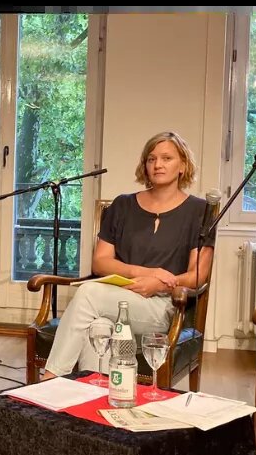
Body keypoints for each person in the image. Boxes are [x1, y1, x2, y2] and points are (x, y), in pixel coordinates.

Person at [42, 130, 215, 378]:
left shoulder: (200, 211)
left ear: (182, 165)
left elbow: (198, 276)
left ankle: (50, 379)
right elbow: (100, 262)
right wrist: (147, 272)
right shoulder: (123, 205)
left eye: (167, 158)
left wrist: (160, 283)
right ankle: (95, 405)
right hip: (115, 296)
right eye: (151, 159)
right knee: (99, 327)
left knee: (88, 292)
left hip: (160, 305)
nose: (157, 165)